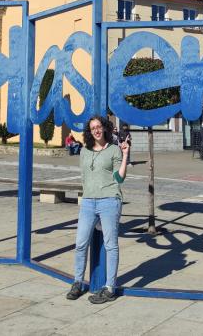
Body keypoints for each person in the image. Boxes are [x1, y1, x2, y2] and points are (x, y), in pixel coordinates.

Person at [66, 115, 129, 304]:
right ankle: (78, 282)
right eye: (93, 127)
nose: (96, 130)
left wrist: (125, 155)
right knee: (80, 243)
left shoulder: (114, 150)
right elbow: (84, 177)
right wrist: (87, 196)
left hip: (109, 201)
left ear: (105, 128)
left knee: (110, 245)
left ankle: (110, 287)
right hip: (88, 203)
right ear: (89, 131)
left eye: (99, 126)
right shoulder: (84, 151)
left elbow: (119, 178)